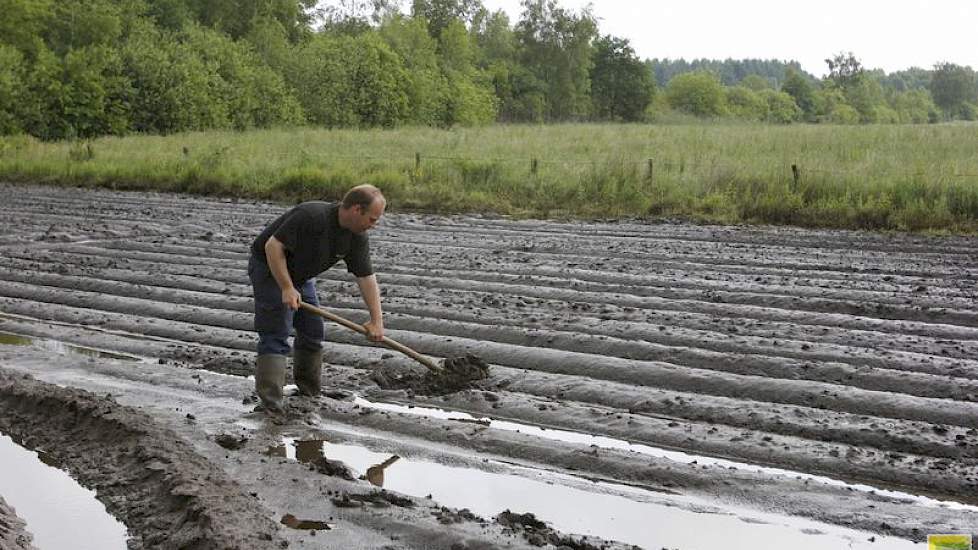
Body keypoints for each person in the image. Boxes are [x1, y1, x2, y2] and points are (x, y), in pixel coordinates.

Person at [248, 184, 386, 412]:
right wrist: (286, 287)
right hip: (270, 269)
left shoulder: (356, 236)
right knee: (276, 333)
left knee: (313, 331)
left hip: (301, 276)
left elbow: (366, 277)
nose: (375, 225)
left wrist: (376, 320)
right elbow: (272, 247)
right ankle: (271, 404)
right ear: (356, 210)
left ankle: (308, 392)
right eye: (372, 219)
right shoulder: (312, 216)